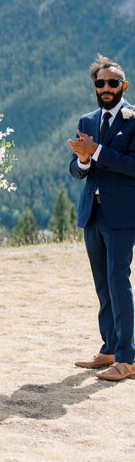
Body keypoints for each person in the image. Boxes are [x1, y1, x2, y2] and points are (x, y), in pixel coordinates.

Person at [69, 54, 135, 382]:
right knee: (102, 284)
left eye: (112, 83)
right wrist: (82, 160)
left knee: (118, 281)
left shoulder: (134, 119)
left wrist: (95, 152)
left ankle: (127, 358)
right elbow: (76, 170)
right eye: (100, 83)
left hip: (123, 215)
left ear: (123, 86)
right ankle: (109, 348)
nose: (105, 88)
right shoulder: (87, 120)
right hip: (92, 214)